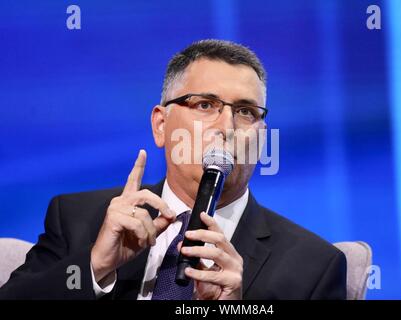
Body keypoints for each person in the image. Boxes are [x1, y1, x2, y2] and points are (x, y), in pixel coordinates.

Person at [0, 39, 346, 300]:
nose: (227, 126)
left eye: (245, 112)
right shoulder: (78, 218)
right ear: (161, 125)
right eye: (206, 104)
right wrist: (94, 266)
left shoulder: (313, 267)